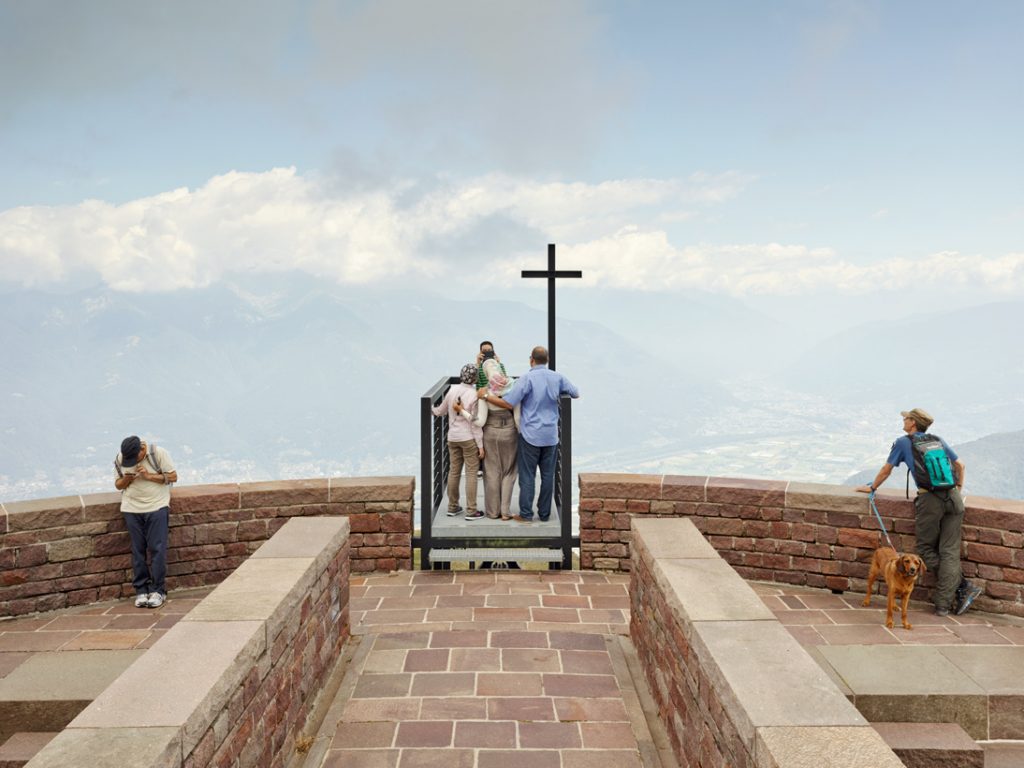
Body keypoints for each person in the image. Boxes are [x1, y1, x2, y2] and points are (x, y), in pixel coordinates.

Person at [856, 408, 982, 617]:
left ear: (913, 423)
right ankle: (946, 603)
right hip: (953, 497)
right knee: (949, 551)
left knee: (923, 550)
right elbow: (960, 464)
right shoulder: (937, 439)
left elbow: (887, 470)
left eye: (905, 418)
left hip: (930, 499)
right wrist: (958, 488)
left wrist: (872, 488)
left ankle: (960, 589)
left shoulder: (904, 442)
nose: (903, 421)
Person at [479, 346, 579, 524]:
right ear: (546, 360)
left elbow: (509, 403)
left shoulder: (526, 379)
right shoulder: (557, 377)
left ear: (531, 359)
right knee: (548, 475)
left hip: (530, 435)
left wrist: (486, 395)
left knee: (527, 476)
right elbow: (575, 393)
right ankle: (545, 514)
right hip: (550, 435)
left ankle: (526, 514)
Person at [114, 436, 178, 608]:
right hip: (131, 508)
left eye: (134, 458)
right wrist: (128, 478)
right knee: (137, 550)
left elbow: (173, 476)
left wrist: (148, 476)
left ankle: (158, 590)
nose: (132, 461)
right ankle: (141, 590)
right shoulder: (122, 458)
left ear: (142, 449)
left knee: (157, 549)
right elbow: (118, 485)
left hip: (157, 507)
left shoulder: (158, 454)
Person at [432, 364, 485, 520]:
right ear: (474, 378)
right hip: (468, 438)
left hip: (452, 437)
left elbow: (439, 411)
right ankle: (471, 510)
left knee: (454, 471)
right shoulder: (474, 395)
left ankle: (452, 506)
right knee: (470, 474)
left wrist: (429, 406)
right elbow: (475, 423)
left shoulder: (451, 391)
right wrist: (480, 445)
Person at [469, 357, 520, 520]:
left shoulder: (485, 391)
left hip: (491, 432)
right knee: (509, 472)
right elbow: (518, 417)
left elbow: (481, 421)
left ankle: (492, 512)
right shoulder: (513, 386)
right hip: (510, 431)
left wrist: (465, 413)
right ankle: (505, 512)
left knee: (492, 472)